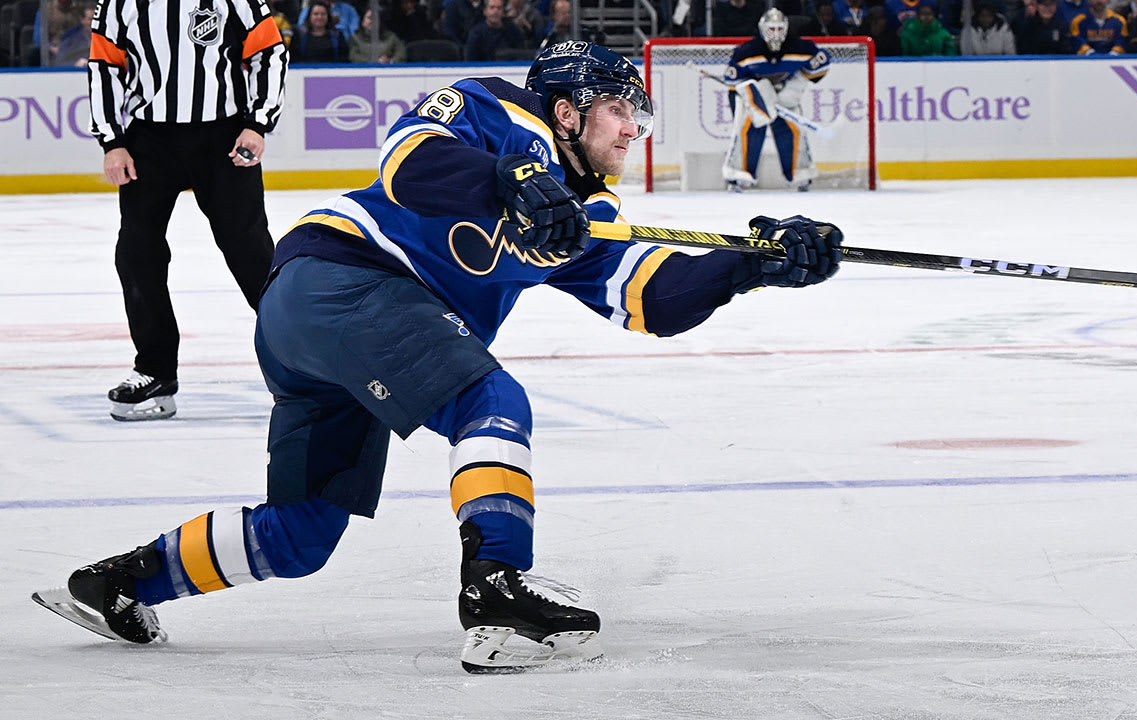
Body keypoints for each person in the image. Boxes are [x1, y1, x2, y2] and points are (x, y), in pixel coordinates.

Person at [31, 41, 844, 674]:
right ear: (567, 109)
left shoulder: (585, 215)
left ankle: (120, 583)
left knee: (302, 534)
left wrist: (751, 267)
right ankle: (497, 590)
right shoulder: (499, 110)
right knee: (492, 403)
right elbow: (407, 156)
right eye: (620, 109)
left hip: (323, 328)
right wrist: (509, 178)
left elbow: (651, 298)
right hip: (343, 276)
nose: (635, 128)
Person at [87, 0, 287, 421]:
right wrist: (112, 141)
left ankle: (304, 364)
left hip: (224, 137)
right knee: (137, 252)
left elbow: (269, 53)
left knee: (250, 251)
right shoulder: (120, 3)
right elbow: (104, 67)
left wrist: (258, 122)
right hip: (149, 140)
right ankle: (155, 370)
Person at [722, 9, 829, 192]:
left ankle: (799, 175)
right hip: (756, 99)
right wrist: (757, 96)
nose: (776, 34)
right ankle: (739, 175)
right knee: (749, 124)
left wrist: (792, 88)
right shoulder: (747, 52)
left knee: (792, 128)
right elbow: (733, 83)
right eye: (771, 29)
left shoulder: (801, 48)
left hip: (784, 95)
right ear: (763, 29)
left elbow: (819, 68)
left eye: (780, 29)